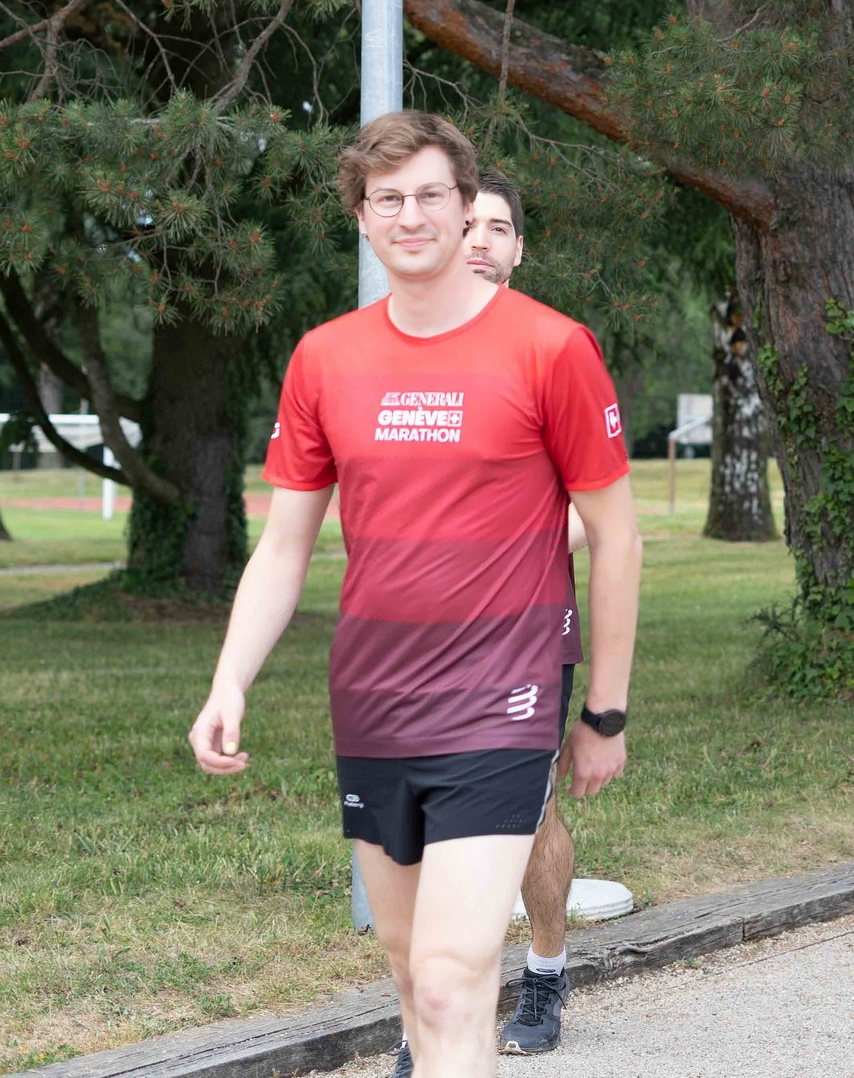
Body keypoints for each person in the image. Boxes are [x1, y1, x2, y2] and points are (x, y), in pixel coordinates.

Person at [187, 112, 641, 1078]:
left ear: (468, 207)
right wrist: (230, 681)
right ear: (360, 217)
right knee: (408, 971)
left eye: (432, 194)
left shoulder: (552, 346)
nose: (411, 215)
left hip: (502, 694)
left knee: (447, 979)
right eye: (387, 198)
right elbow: (284, 545)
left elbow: (616, 535)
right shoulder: (325, 357)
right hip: (375, 698)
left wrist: (605, 708)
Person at [464, 168, 586, 1058]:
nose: (479, 241)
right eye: (466, 223)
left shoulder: (551, 351)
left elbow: (595, 507)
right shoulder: (394, 351)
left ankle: (543, 972)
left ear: (518, 249)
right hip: (417, 634)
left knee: (524, 812)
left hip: (527, 627)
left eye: (497, 228)